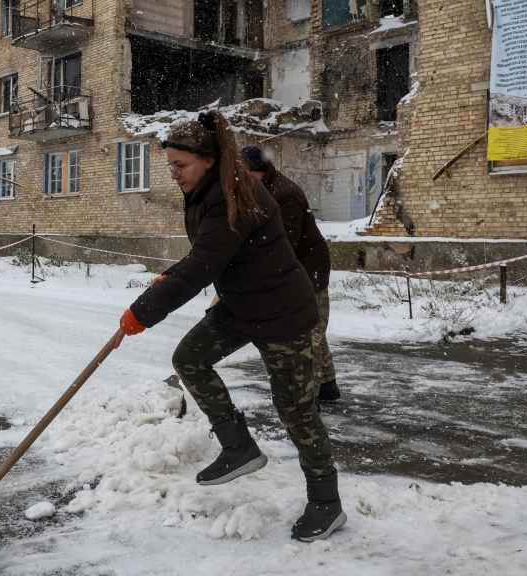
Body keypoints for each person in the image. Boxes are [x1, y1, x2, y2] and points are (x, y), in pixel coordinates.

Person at [117, 111, 346, 542]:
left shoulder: (233, 194)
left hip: (283, 313)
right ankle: (238, 444)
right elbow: (209, 253)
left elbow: (204, 263)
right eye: (169, 166)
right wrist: (170, 276)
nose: (174, 174)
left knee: (296, 411)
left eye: (179, 165)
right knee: (190, 358)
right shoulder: (207, 190)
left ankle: (326, 502)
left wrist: (143, 311)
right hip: (242, 306)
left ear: (206, 159)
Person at [242, 146, 341, 404]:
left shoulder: (284, 194)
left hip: (309, 270)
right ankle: (328, 385)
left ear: (259, 172)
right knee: (314, 330)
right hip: (296, 267)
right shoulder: (263, 189)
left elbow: (284, 244)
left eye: (245, 175)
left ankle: (310, 399)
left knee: (310, 335)